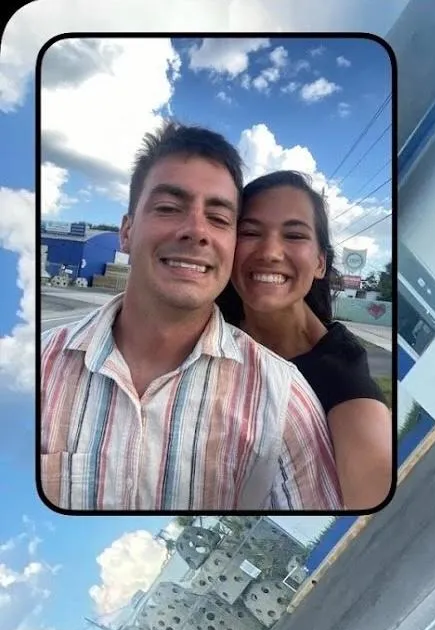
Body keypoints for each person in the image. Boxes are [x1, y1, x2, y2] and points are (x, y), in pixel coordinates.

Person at [39, 122, 341, 512]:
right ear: (127, 231)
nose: (196, 231)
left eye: (218, 219)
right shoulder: (36, 369)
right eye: (168, 208)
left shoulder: (282, 401)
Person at [216, 171, 394, 511]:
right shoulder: (209, 331)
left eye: (294, 235)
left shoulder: (343, 384)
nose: (269, 251)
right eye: (250, 232)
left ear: (320, 263)